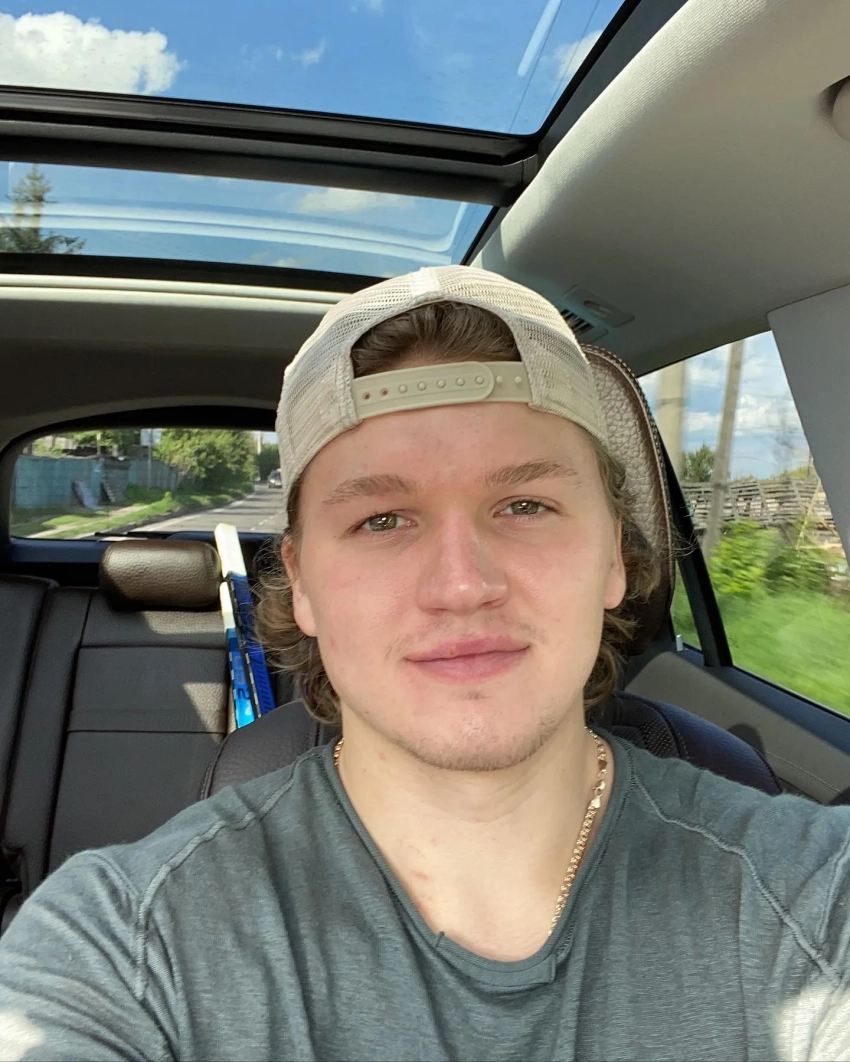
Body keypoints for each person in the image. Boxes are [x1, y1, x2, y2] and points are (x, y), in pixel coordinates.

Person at [0, 266, 848, 1062]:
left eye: (525, 504)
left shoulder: (811, 896)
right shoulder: (122, 943)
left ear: (614, 560)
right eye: (381, 520)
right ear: (302, 584)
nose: (462, 586)